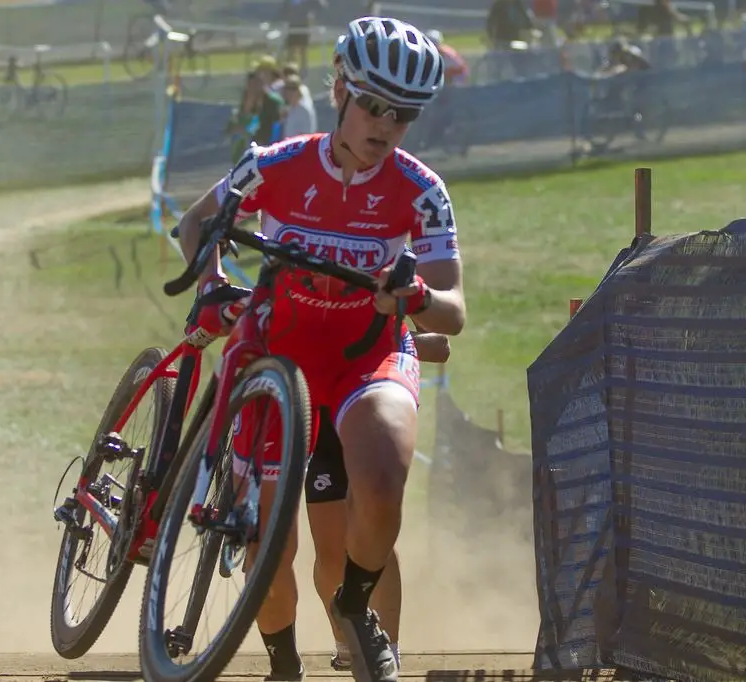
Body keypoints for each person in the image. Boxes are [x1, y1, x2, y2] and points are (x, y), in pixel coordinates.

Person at [175, 16, 464, 682]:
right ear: (339, 89)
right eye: (372, 105)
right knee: (267, 548)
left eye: (403, 115)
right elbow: (197, 225)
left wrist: (413, 292)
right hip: (281, 365)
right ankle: (283, 666)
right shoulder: (276, 165)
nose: (385, 125)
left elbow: (453, 309)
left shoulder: (421, 191)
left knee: (381, 485)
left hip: (368, 358)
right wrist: (215, 285)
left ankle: (358, 618)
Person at [309, 327, 450, 672]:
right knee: (330, 548)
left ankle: (388, 651)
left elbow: (440, 343)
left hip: (375, 389)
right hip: (325, 399)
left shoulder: (389, 275)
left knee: (373, 528)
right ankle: (345, 643)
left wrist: (392, 341)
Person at [280, 74, 317, 139]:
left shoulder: (304, 110)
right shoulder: (289, 109)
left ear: (298, 91)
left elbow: (307, 135)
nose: (289, 93)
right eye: (287, 89)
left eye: (292, 89)